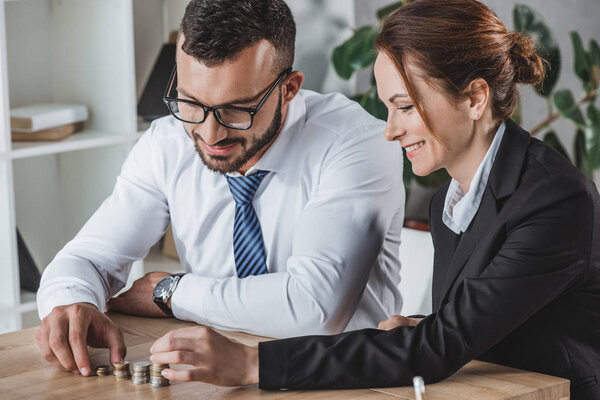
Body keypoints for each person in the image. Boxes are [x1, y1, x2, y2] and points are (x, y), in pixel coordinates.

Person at [148, 1, 600, 399]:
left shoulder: (553, 199)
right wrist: (426, 326)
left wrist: (250, 364)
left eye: (405, 107)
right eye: (388, 108)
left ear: (475, 98)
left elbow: (437, 351)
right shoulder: (453, 199)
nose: (390, 129)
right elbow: (490, 319)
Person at [35, 0, 405, 378]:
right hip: (212, 378)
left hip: (345, 381)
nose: (210, 135)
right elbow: (89, 258)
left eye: (236, 110)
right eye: (191, 103)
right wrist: (71, 300)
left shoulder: (357, 143)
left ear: (289, 89)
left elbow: (313, 309)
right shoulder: (166, 143)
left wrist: (173, 291)